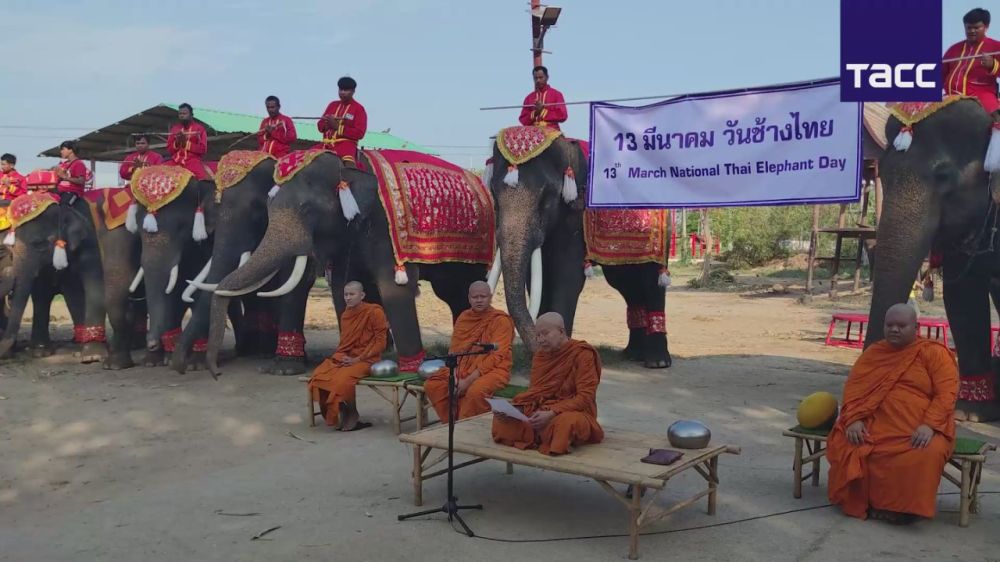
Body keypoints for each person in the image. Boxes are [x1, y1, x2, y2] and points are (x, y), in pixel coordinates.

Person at [827, 303, 959, 524]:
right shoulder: (874, 353)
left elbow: (947, 394)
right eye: (890, 325)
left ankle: (906, 510)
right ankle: (874, 504)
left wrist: (929, 425)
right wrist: (854, 420)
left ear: (915, 327)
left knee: (929, 451)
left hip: (921, 427)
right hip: (876, 424)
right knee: (855, 444)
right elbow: (854, 390)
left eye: (901, 325)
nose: (894, 330)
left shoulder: (933, 352)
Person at [492, 312, 604, 455]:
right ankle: (542, 436)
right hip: (542, 409)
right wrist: (516, 409)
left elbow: (585, 397)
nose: (540, 340)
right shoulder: (541, 356)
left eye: (545, 334)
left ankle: (542, 436)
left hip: (574, 411)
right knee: (502, 420)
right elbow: (535, 392)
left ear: (561, 332)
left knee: (565, 424)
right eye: (537, 335)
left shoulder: (582, 354)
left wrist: (552, 412)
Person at [424, 281, 515, 422]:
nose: (479, 300)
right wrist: (454, 374)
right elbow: (454, 349)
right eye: (475, 297)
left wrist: (467, 381)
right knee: (433, 385)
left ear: (490, 297)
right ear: (469, 298)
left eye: (483, 296)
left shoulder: (500, 321)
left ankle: (466, 427)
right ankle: (451, 422)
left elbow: (497, 356)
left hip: (492, 370)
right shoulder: (464, 318)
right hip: (462, 366)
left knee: (475, 392)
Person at [307, 281, 388, 431]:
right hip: (347, 358)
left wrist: (357, 359)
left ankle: (352, 415)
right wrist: (343, 357)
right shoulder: (346, 315)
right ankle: (342, 410)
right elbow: (345, 343)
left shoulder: (375, 312)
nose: (348, 298)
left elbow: (380, 343)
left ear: (362, 295)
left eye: (352, 294)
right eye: (346, 295)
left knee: (342, 379)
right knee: (319, 375)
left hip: (367, 360)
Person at [942, 8, 1000, 115]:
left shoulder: (996, 47)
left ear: (986, 27)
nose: (972, 31)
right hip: (950, 97)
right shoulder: (953, 49)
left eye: (977, 27)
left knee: (996, 122)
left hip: (982, 97)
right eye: (969, 28)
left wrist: (993, 65)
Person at [317, 76, 367, 168]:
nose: (342, 92)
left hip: (346, 145)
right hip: (326, 144)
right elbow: (320, 126)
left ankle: (352, 181)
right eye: (341, 89)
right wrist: (327, 123)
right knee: (304, 157)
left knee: (349, 165)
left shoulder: (358, 109)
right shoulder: (332, 105)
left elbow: (360, 133)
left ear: (353, 91)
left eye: (346, 90)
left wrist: (338, 127)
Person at [166, 103, 210, 180]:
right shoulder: (174, 129)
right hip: (175, 161)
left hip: (192, 161)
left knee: (203, 180)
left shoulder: (199, 129)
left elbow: (203, 149)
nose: (182, 116)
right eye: (180, 114)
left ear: (191, 115)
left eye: (185, 113)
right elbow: (169, 150)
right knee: (159, 173)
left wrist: (186, 144)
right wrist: (177, 143)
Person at [518, 65, 568, 130]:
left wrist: (542, 111)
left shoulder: (557, 94)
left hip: (552, 131)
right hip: (533, 133)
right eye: (535, 78)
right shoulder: (529, 98)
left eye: (541, 77)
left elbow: (563, 115)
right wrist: (536, 112)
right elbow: (523, 119)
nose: (538, 80)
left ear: (547, 77)